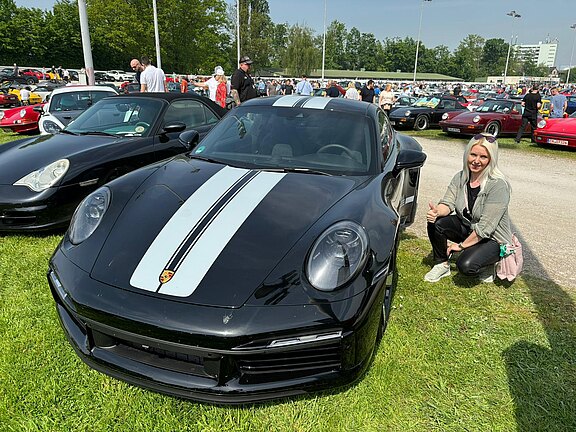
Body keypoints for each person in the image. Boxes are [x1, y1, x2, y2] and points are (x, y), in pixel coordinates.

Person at [424, 133, 513, 283]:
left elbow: (485, 228)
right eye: (473, 155)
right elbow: (448, 203)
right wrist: (437, 211)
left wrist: (460, 246)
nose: (476, 161)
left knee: (465, 266)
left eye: (483, 157)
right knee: (437, 222)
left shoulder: (498, 185)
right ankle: (442, 264)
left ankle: (487, 263)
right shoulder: (460, 177)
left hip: (492, 238)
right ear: (467, 154)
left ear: (491, 159)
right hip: (470, 228)